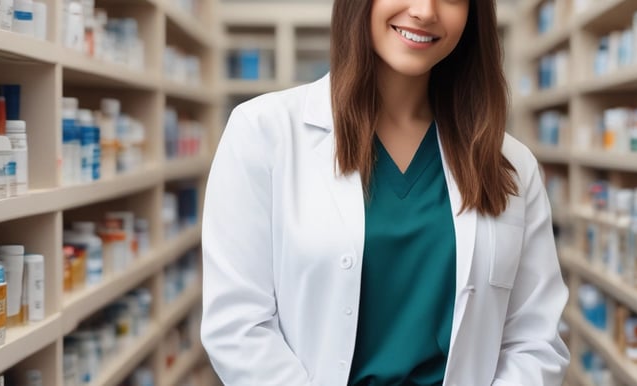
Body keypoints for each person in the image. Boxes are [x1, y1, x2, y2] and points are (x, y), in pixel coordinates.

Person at [201, 0, 570, 385]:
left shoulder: (512, 165)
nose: (425, 11)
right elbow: (238, 326)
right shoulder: (262, 133)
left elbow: (535, 341)